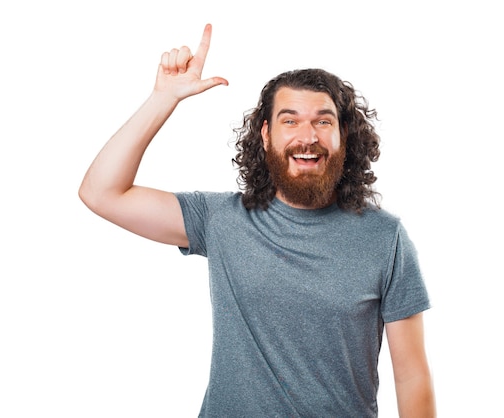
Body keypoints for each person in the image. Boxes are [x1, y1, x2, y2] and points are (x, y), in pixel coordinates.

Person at [79, 24, 436, 417]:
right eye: (290, 120)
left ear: (343, 135)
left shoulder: (384, 239)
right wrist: (163, 99)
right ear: (265, 134)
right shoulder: (221, 219)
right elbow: (102, 193)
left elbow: (412, 377)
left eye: (322, 121)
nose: (307, 136)